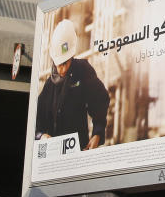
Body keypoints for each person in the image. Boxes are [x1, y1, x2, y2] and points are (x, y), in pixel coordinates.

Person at [35, 19, 110, 150]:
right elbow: (37, 117)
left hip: (78, 150)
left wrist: (97, 133)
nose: (62, 69)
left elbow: (100, 99)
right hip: (53, 153)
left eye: (65, 63)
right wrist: (41, 136)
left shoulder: (83, 70)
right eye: (59, 65)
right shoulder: (49, 85)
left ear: (71, 56)